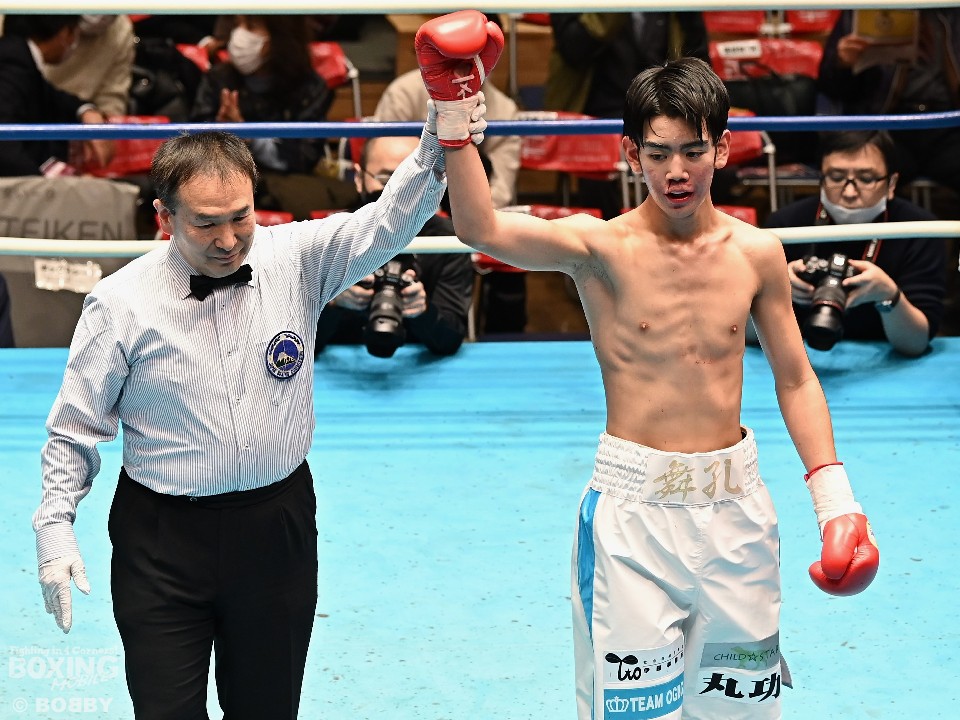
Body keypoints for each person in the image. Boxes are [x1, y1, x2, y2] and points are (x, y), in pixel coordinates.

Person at [415, 12, 879, 719]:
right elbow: (481, 228)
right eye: (658, 153)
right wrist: (455, 116)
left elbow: (794, 377)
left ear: (723, 148)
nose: (676, 171)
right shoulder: (599, 249)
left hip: (738, 512)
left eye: (693, 151)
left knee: (741, 712)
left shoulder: (757, 253)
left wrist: (836, 502)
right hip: (633, 517)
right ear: (631, 153)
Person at [32, 120, 455, 718]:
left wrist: (442, 130)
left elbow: (389, 219)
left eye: (241, 217)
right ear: (164, 217)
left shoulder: (297, 258)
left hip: (276, 528)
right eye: (206, 223)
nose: (229, 240)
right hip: (161, 540)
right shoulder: (120, 303)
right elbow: (75, 428)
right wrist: (54, 530)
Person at [763, 130, 946, 357]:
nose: (849, 192)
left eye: (866, 179)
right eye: (836, 177)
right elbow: (748, 335)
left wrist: (889, 296)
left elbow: (915, 343)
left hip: (887, 357)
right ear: (821, 178)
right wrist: (773, 290)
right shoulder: (785, 226)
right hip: (797, 357)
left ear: (891, 184)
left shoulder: (920, 230)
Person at [315, 135, 473, 357]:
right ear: (359, 178)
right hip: (337, 359)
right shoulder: (330, 236)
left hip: (420, 363)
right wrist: (333, 302)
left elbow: (451, 340)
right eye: (385, 178)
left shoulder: (448, 241)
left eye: (414, 178)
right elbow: (294, 341)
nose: (398, 191)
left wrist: (423, 312)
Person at [544, 12, 711, 218]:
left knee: (703, 161)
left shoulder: (682, 10)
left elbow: (699, 62)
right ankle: (609, 236)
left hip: (666, 108)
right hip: (596, 111)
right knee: (596, 174)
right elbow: (574, 48)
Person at [190, 14, 357, 218]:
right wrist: (221, 132)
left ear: (278, 36)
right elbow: (194, 145)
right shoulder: (218, 79)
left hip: (285, 184)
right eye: (237, 24)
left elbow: (303, 158)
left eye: (251, 25)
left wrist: (248, 137)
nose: (239, 33)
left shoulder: (309, 88)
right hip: (223, 178)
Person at [817, 9, 960, 197]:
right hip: (885, 125)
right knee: (864, 179)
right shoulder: (863, 9)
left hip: (948, 123)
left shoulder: (953, 11)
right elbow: (831, 88)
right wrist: (843, 64)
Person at [374, 68, 521, 209]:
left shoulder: (505, 111)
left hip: (469, 212)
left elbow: (500, 189)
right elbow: (380, 170)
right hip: (404, 205)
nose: (465, 61)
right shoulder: (403, 93)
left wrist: (476, 219)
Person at [0, 14, 114, 176]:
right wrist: (47, 185)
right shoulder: (12, 64)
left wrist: (87, 111)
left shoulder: (19, 57)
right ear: (65, 33)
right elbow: (5, 146)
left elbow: (54, 98)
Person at [43, 14, 135, 119]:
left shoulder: (122, 30)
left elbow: (112, 97)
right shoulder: (44, 17)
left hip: (83, 119)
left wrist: (105, 121)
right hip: (38, 114)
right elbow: (32, 84)